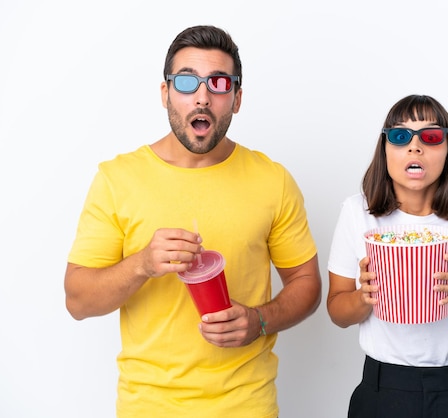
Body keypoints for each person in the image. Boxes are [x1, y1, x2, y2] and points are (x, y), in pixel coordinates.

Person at [64, 25, 322, 418]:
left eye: (219, 83)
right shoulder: (117, 180)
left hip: (247, 406)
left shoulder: (273, 180)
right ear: (166, 93)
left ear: (236, 98)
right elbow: (77, 300)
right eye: (187, 81)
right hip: (148, 408)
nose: (202, 97)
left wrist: (260, 320)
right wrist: (142, 264)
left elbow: (307, 285)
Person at [327, 94, 448, 417]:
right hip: (382, 390)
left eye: (431, 136)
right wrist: (363, 296)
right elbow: (337, 312)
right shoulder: (357, 212)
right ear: (385, 149)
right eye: (400, 136)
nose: (415, 146)